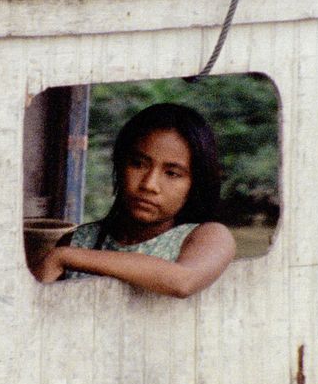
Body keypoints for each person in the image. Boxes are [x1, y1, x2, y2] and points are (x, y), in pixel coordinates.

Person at [32, 103, 236, 298]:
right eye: (138, 164)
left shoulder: (207, 237)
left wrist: (64, 257)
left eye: (172, 173)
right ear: (120, 166)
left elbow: (184, 280)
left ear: (195, 183)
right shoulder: (79, 240)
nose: (149, 184)